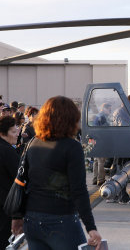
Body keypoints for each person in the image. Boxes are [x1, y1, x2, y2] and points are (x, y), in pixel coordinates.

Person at [11, 96, 102, 250]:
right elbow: (78, 190)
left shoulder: (33, 143)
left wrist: (17, 216)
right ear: (70, 119)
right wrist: (91, 227)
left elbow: (22, 181)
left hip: (32, 220)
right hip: (61, 220)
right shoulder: (72, 147)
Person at [107, 94, 130, 205]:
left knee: (117, 169)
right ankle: (122, 197)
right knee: (121, 171)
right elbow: (126, 128)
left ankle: (114, 195)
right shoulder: (121, 113)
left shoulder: (125, 112)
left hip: (121, 145)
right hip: (122, 145)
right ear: (129, 102)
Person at [0, 116, 20, 249]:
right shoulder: (7, 151)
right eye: (13, 132)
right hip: (5, 206)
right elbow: (20, 178)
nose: (17, 135)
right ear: (2, 133)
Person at [92, 103, 112, 186]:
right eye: (109, 109)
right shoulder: (103, 117)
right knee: (101, 161)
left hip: (95, 140)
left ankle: (95, 178)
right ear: (104, 108)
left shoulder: (98, 116)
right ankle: (101, 180)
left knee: (96, 161)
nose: (110, 111)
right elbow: (106, 129)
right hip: (101, 141)